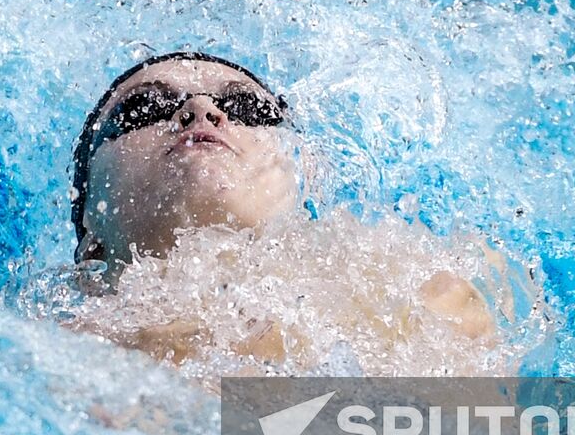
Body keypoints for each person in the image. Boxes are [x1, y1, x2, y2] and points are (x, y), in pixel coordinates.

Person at [59, 51, 524, 385]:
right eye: (143, 109)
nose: (202, 111)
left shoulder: (415, 283)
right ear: (90, 236)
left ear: (304, 187)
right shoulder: (62, 351)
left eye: (247, 108)